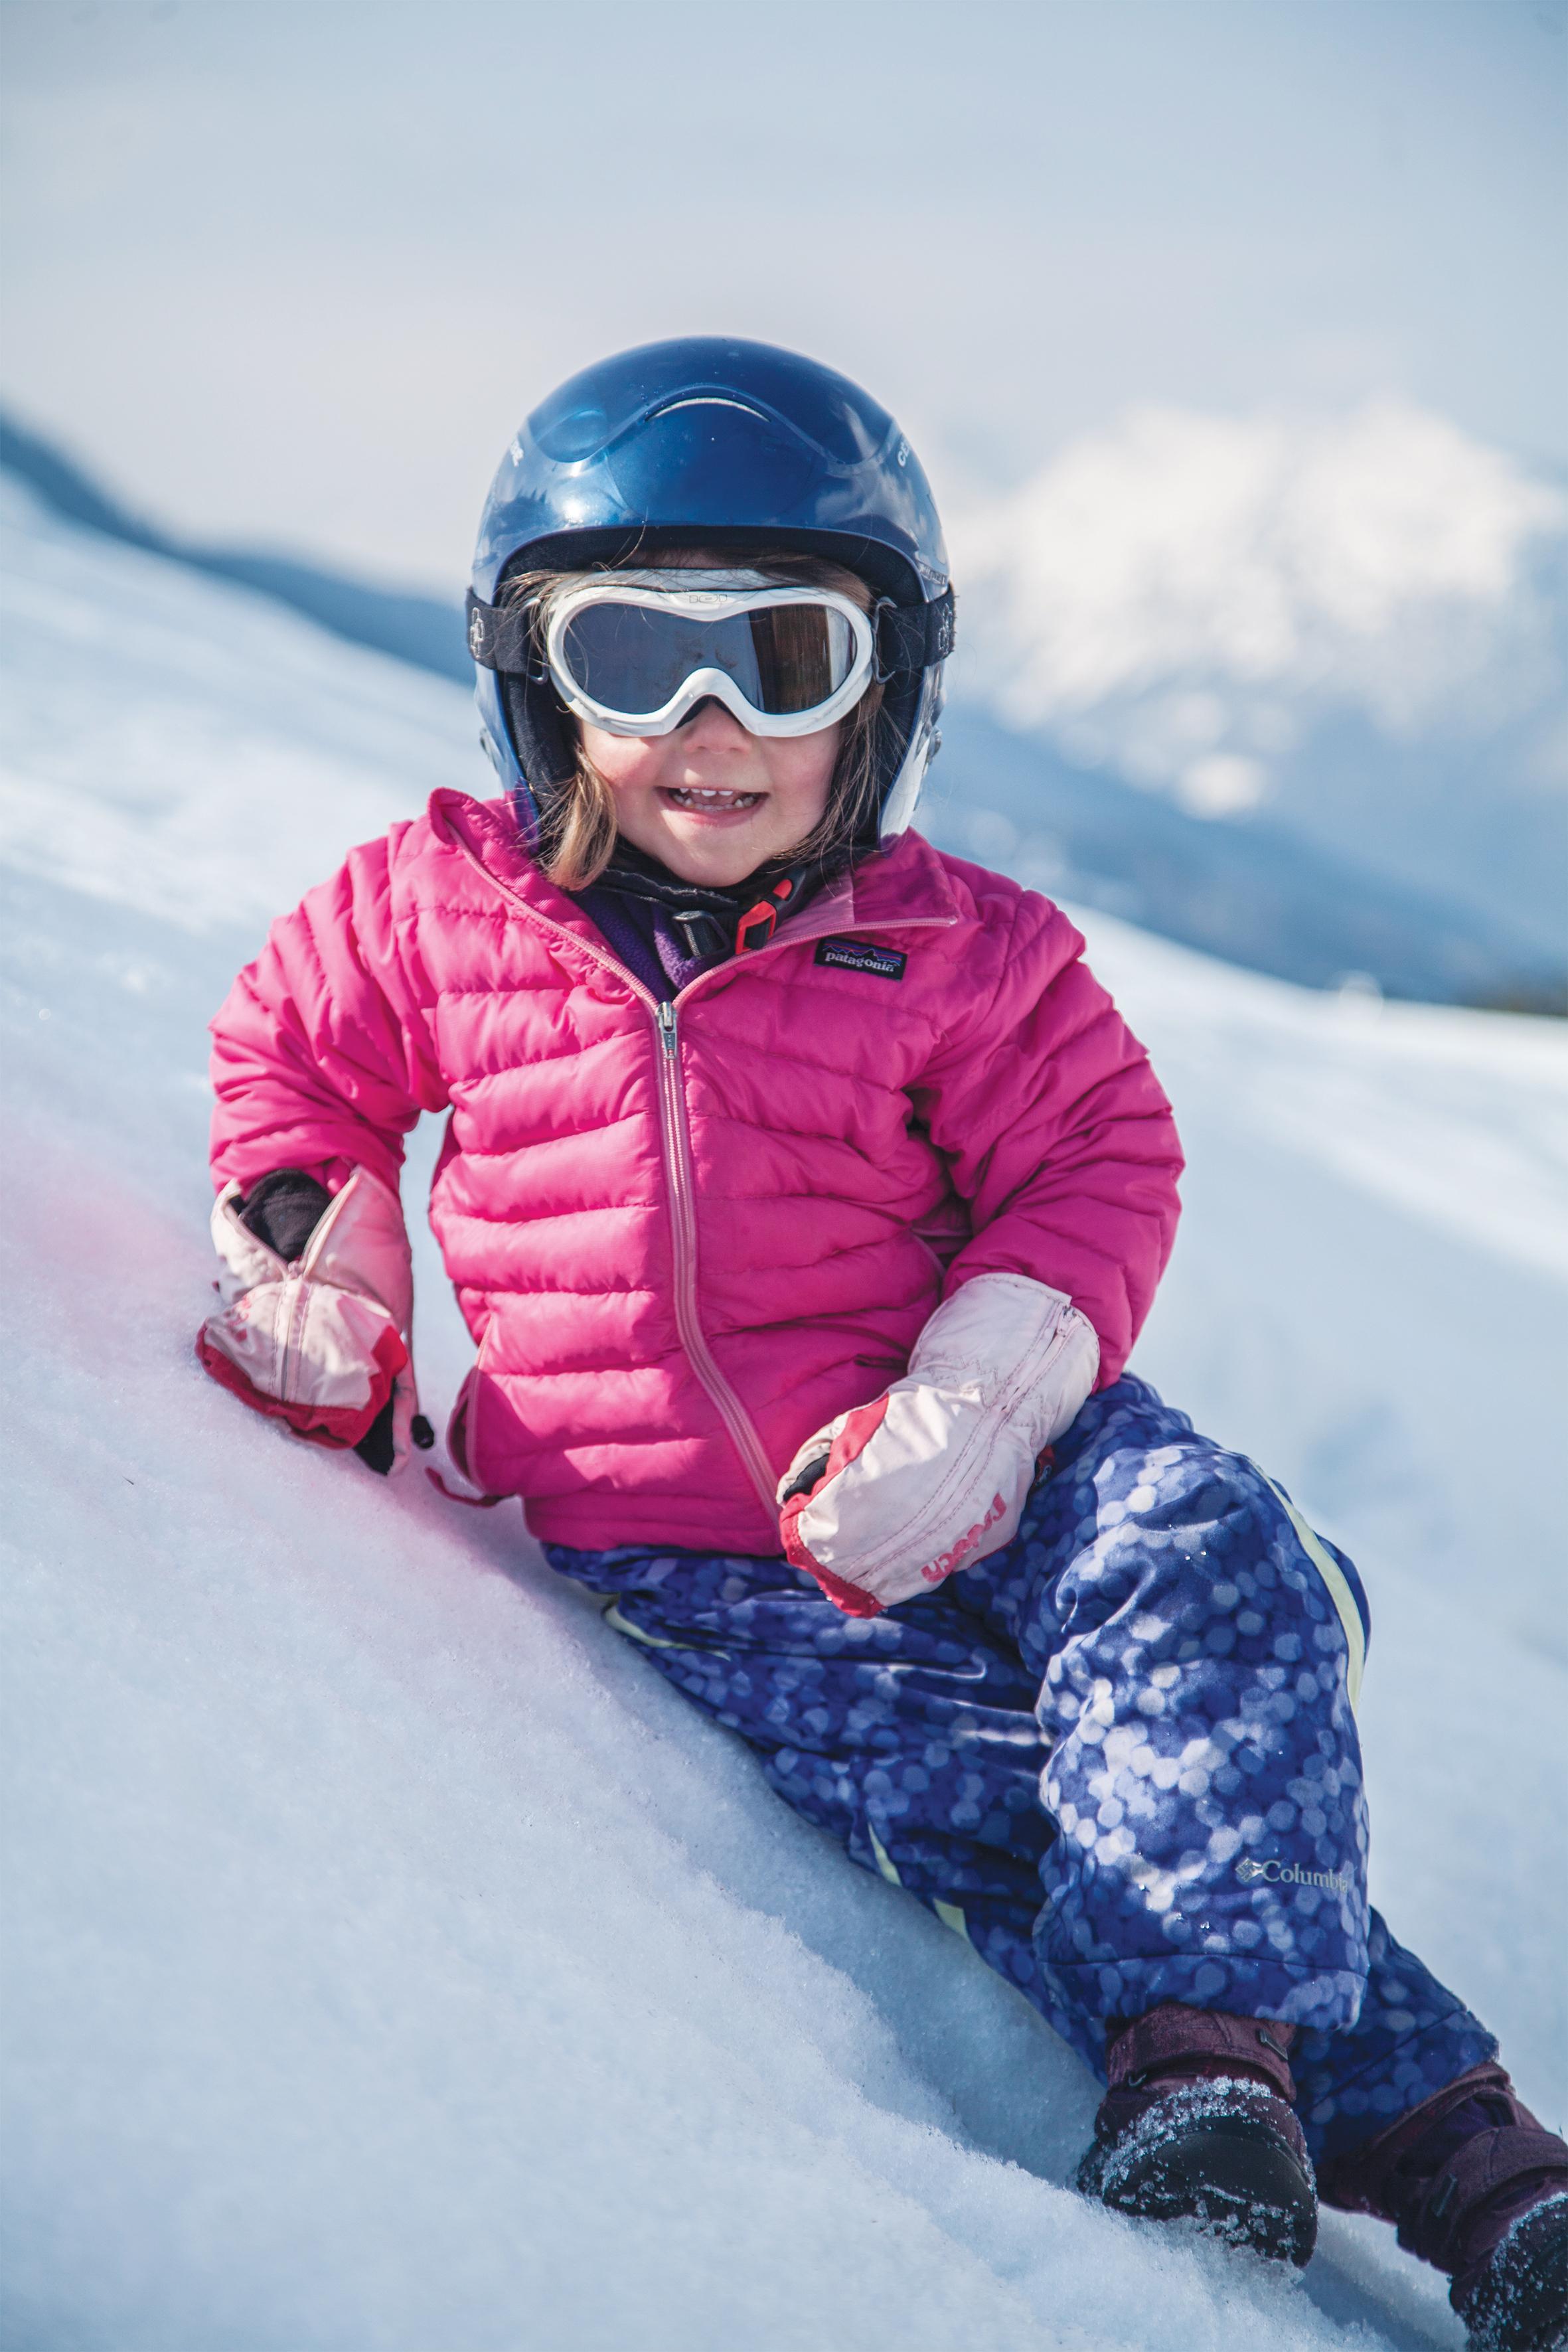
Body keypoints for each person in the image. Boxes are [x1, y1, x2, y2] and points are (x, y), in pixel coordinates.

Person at [198, 339, 1566, 2348]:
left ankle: (1213, 2068)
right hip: (694, 1544)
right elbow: (294, 1072)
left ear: (886, 687)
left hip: (979, 1445)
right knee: (1019, 1795)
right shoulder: (432, 915)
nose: (707, 729)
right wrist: (323, 1273)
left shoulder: (957, 950)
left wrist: (979, 1409)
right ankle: (1472, 2168)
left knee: (1205, 1557)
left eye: (784, 657)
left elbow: (1097, 1157)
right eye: (633, 654)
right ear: (532, 680)